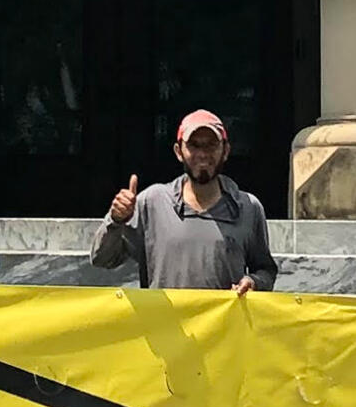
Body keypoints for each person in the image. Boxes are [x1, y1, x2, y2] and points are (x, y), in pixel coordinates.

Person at [93, 108, 279, 292]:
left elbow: (266, 271)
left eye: (211, 145)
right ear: (178, 151)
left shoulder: (247, 208)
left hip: (225, 314)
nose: (203, 154)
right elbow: (102, 259)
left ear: (225, 150)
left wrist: (254, 282)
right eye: (194, 145)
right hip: (163, 314)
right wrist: (116, 220)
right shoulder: (152, 203)